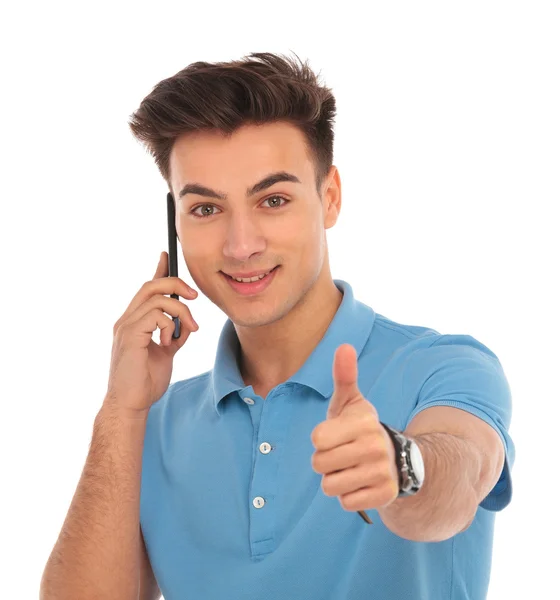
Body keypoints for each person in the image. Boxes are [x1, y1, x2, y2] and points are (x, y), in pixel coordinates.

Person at [40, 52, 515, 600]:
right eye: (205, 209)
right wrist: (121, 412)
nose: (241, 245)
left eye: (273, 200)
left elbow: (465, 473)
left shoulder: (444, 368)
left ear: (329, 196)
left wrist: (399, 461)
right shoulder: (154, 422)